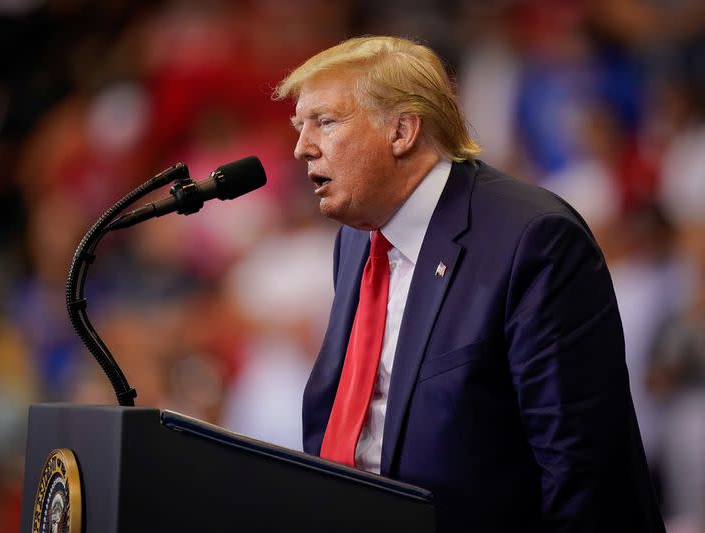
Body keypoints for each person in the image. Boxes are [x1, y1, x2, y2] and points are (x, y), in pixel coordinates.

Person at [274, 36, 665, 532]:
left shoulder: (533, 239)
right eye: (300, 126)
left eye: (324, 122)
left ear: (402, 131)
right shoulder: (358, 242)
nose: (301, 146)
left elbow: (582, 472)